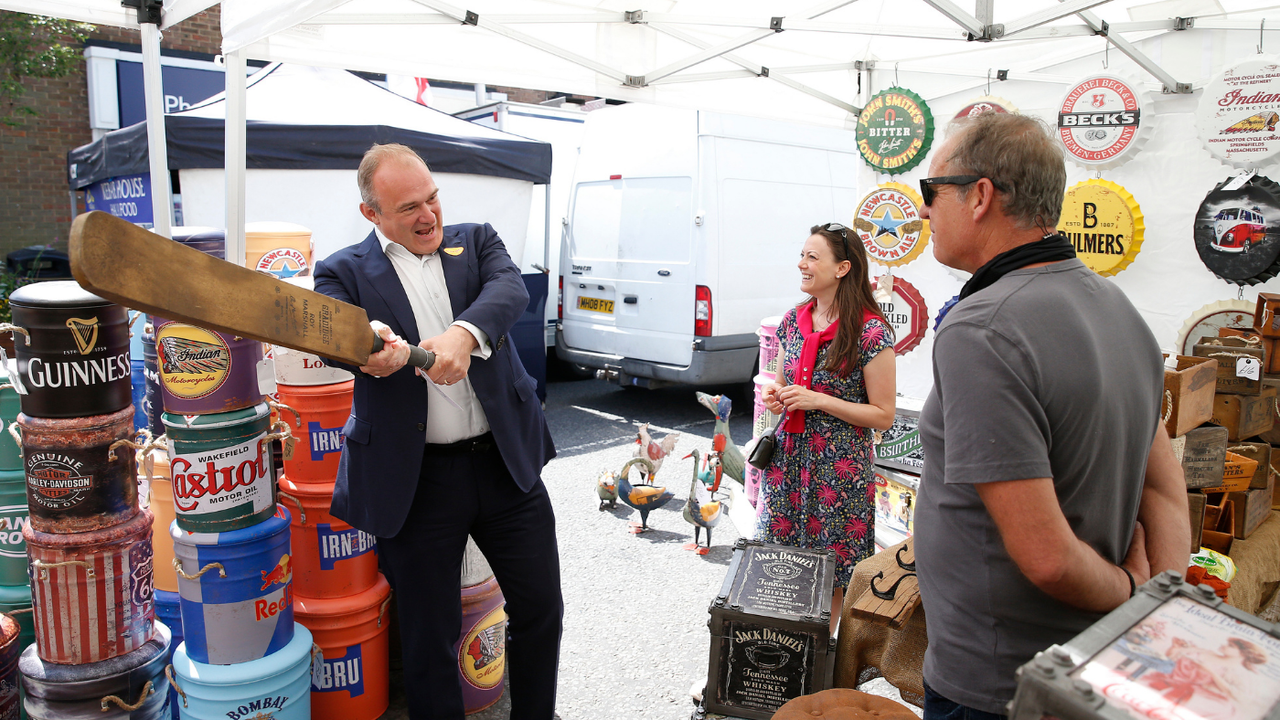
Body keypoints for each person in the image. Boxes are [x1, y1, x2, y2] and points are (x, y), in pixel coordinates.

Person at [913, 112, 1190, 719]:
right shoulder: (1119, 308)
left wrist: (1131, 592)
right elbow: (1167, 489)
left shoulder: (981, 326)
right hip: (1093, 666)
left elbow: (1047, 557)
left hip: (997, 683)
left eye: (931, 192)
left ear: (980, 195)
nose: (925, 212)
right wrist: (1159, 608)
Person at [312, 143, 562, 720]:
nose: (428, 216)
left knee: (540, 609)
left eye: (432, 199)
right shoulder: (342, 270)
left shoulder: (476, 241)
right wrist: (367, 341)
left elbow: (509, 291)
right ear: (371, 214)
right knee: (428, 640)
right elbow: (336, 333)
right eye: (408, 209)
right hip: (416, 480)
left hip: (505, 465)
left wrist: (462, 335)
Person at [760, 223, 897, 629]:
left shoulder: (871, 332)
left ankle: (819, 655)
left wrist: (818, 399)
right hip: (787, 464)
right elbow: (782, 382)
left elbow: (883, 414)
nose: (801, 264)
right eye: (802, 255)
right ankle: (780, 657)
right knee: (777, 561)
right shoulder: (792, 320)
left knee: (831, 571)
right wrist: (777, 394)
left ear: (842, 268)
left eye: (812, 257)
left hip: (838, 473)